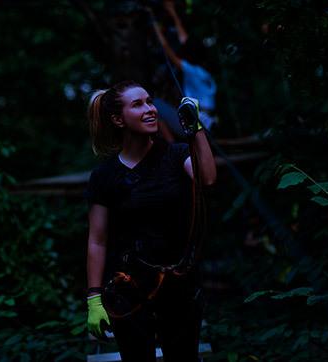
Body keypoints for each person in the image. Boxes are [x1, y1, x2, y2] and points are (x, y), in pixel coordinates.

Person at [85, 80, 216, 361]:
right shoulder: (104, 176)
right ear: (118, 119)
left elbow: (207, 179)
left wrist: (196, 129)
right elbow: (97, 240)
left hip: (179, 286)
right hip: (128, 287)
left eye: (149, 102)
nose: (150, 109)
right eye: (138, 104)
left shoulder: (176, 154)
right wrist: (94, 297)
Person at [148, 1, 218, 140]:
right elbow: (185, 40)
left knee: (155, 104)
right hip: (208, 123)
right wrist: (172, 11)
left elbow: (167, 48)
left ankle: (172, 148)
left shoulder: (191, 71)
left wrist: (154, 23)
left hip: (198, 125)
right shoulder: (204, 72)